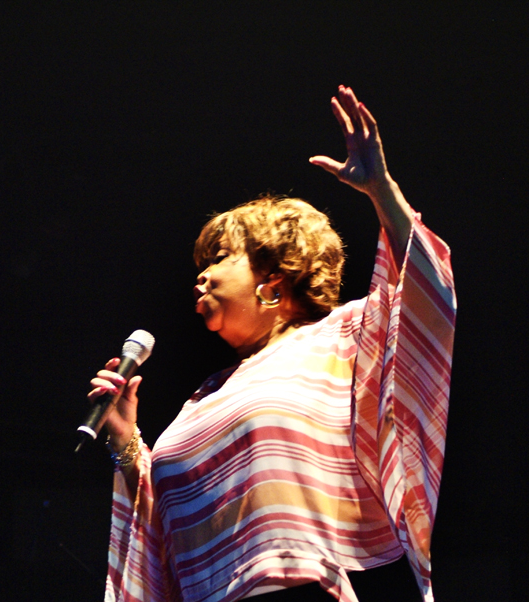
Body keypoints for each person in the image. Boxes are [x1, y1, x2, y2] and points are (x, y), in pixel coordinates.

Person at [88, 86, 455, 602]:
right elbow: (162, 544)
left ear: (273, 281)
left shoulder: (339, 337)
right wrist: (127, 445)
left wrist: (382, 192)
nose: (202, 275)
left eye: (219, 258)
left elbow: (424, 299)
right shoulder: (202, 400)